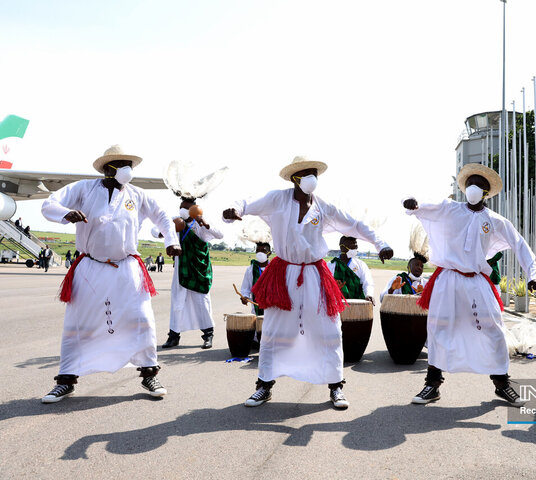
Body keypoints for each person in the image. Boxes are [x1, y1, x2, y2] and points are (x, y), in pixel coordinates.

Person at [223, 156, 393, 410]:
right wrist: (234, 211)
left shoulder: (323, 207)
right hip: (283, 273)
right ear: (295, 179)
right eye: (306, 174)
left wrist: (381, 244)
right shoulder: (278, 199)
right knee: (273, 329)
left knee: (329, 328)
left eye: (314, 173)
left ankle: (335, 386)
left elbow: (355, 224)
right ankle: (264, 386)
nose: (312, 178)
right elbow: (247, 203)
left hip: (315, 272)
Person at [39, 144, 180, 403]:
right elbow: (50, 204)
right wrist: (65, 213)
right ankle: (66, 380)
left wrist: (172, 240)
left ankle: (149, 373)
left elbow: (162, 217)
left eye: (130, 165)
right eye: (121, 164)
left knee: (141, 320)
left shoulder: (137, 194)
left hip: (127, 268)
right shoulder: (83, 188)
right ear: (107, 168)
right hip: (90, 268)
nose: (127, 169)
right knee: (77, 325)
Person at [403, 162, 536, 407]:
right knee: (439, 330)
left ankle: (502, 384)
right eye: (470, 183)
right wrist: (415, 204)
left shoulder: (496, 221)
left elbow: (519, 244)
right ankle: (432, 385)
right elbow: (426, 206)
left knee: (494, 331)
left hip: (477, 281)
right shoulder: (450, 209)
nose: (473, 188)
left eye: (479, 185)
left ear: (486, 192)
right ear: (464, 188)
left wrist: (534, 274)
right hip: (447, 279)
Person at [161, 198, 223, 349]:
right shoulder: (175, 221)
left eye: (187, 208)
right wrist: (168, 230)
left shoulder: (200, 225)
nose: (183, 210)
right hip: (181, 270)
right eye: (181, 207)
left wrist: (205, 223)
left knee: (201, 302)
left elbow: (219, 235)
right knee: (177, 302)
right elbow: (156, 231)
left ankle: (208, 335)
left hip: (199, 269)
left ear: (194, 210)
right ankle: (173, 336)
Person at [379, 223, 430, 302]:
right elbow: (382, 299)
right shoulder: (399, 279)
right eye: (416, 265)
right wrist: (391, 289)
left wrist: (423, 295)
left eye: (421, 266)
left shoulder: (426, 283)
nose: (419, 268)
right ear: (408, 266)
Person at [327, 236, 375, 305]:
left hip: (357, 305)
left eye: (356, 246)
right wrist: (335, 288)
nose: (355, 248)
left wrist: (369, 294)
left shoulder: (361, 264)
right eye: (352, 246)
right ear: (342, 247)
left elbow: (368, 282)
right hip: (336, 305)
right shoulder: (331, 265)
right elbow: (325, 286)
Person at [239, 241, 272, 315]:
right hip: (256, 310)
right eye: (258, 251)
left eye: (263, 251)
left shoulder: (274, 269)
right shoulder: (250, 269)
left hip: (272, 311)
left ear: (269, 253)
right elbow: (245, 288)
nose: (260, 253)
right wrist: (245, 297)